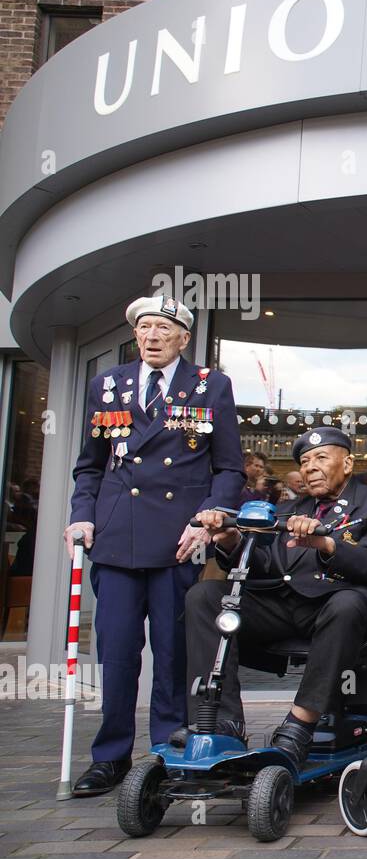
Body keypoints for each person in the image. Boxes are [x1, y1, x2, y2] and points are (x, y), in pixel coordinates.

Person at [64, 295, 244, 795]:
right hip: (117, 538)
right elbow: (90, 466)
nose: (152, 336)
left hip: (177, 541)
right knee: (117, 651)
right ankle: (110, 756)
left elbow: (229, 468)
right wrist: (81, 517)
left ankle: (169, 748)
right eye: (144, 327)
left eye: (163, 328)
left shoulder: (210, 386)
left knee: (172, 652)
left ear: (184, 338)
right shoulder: (107, 386)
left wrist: (207, 522)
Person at [178, 427, 367, 763]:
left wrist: (327, 545)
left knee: (348, 603)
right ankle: (219, 724)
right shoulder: (287, 508)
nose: (310, 466)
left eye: (321, 458)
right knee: (206, 596)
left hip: (338, 607)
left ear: (349, 463)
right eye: (305, 460)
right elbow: (264, 564)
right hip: (284, 605)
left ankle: (299, 724)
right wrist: (229, 541)